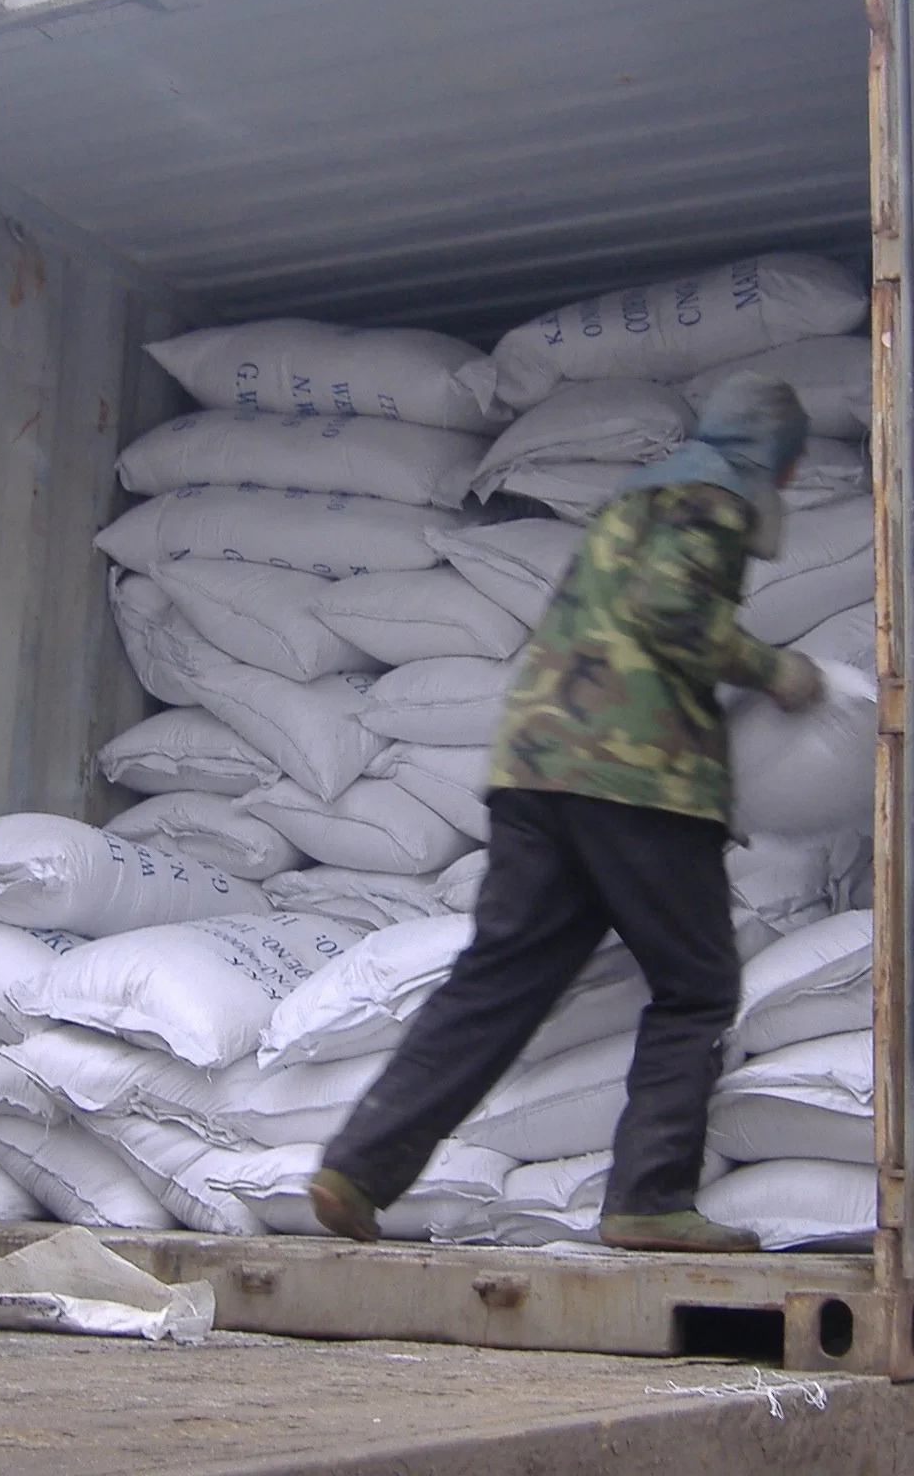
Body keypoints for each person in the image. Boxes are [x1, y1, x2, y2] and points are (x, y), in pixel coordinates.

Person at [311, 373, 827, 1253]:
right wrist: (776, 671)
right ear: (772, 460)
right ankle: (648, 1200)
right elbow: (669, 611)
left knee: (501, 977)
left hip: (534, 767)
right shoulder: (715, 500)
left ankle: (358, 1166)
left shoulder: (633, 501)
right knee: (697, 986)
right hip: (636, 780)